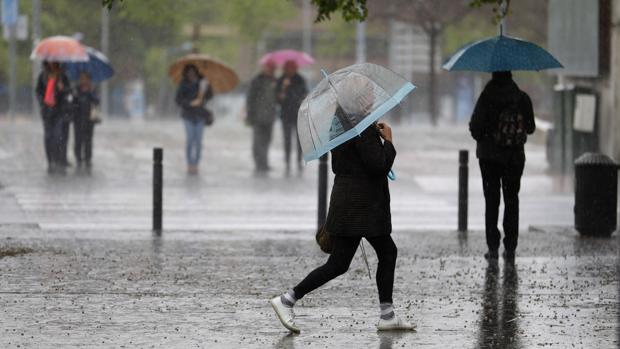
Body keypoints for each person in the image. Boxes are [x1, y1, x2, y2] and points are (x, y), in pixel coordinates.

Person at [270, 78, 414, 332]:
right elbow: (378, 164)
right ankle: (287, 299)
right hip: (362, 205)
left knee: (344, 262)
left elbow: (347, 161)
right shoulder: (360, 123)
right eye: (367, 93)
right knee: (381, 254)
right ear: (357, 97)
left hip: (349, 200)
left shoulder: (340, 121)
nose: (371, 97)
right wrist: (389, 142)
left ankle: (289, 299)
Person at [469, 71, 535, 262]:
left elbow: (475, 128)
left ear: (493, 74)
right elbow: (530, 128)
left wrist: (488, 136)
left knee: (492, 202)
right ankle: (511, 247)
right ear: (511, 74)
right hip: (514, 158)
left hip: (489, 159)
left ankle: (493, 248)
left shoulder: (486, 97)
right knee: (511, 201)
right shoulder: (522, 98)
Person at [175, 64, 213, 175]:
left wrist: (207, 87)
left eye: (193, 71)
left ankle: (196, 164)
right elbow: (178, 100)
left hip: (200, 115)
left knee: (199, 142)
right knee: (190, 140)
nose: (191, 74)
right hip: (188, 116)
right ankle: (189, 163)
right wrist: (190, 103)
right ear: (186, 73)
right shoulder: (183, 84)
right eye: (189, 72)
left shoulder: (203, 82)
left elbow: (210, 96)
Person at [35, 61, 71, 174]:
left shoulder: (62, 76)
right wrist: (42, 102)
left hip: (59, 111)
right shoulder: (43, 75)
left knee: (58, 136)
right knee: (48, 137)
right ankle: (50, 161)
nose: (51, 62)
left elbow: (69, 91)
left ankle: (57, 158)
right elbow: (38, 91)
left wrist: (62, 89)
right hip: (46, 111)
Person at [276, 60, 307, 175]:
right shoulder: (281, 80)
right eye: (287, 68)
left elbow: (304, 94)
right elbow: (278, 99)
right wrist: (283, 89)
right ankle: (287, 161)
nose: (289, 70)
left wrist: (300, 99)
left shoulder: (300, 79)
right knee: (287, 139)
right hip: (285, 115)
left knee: (299, 140)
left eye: (292, 68)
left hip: (298, 114)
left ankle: (299, 160)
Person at [246, 60, 277, 174]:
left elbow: (278, 98)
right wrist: (250, 115)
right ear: (265, 68)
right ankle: (259, 163)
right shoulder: (257, 80)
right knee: (258, 142)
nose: (271, 70)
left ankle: (264, 162)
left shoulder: (275, 81)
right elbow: (250, 98)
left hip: (270, 116)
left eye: (273, 68)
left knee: (267, 140)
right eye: (269, 68)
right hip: (257, 116)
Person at [73, 73, 99, 169]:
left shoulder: (92, 89)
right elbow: (73, 101)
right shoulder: (76, 89)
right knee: (78, 140)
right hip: (78, 119)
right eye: (82, 79)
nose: (84, 81)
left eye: (86, 79)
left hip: (89, 119)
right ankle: (78, 158)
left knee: (88, 140)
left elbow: (97, 101)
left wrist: (90, 93)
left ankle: (88, 159)